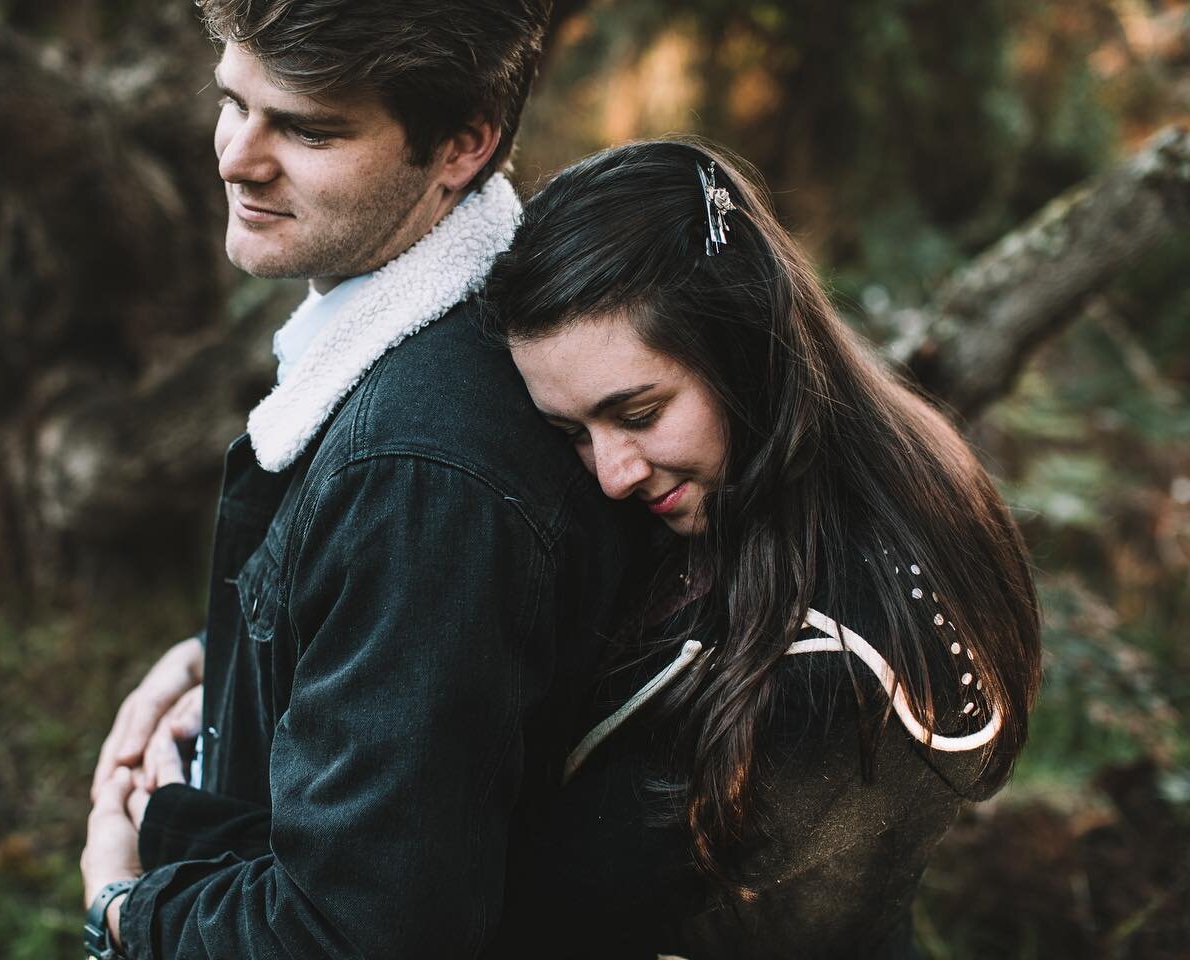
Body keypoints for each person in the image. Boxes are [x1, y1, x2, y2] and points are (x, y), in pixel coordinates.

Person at [79, 2, 642, 958]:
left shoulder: (424, 476)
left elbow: (351, 935)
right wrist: (234, 672)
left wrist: (123, 908)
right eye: (234, 102)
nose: (236, 158)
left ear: (464, 145)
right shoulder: (407, 351)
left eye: (306, 128)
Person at [478, 140, 1043, 958]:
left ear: (744, 343)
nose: (611, 473)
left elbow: (568, 912)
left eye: (637, 414)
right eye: (572, 433)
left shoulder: (835, 669)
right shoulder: (866, 453)